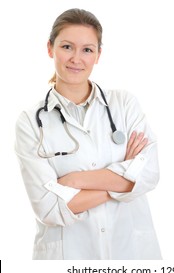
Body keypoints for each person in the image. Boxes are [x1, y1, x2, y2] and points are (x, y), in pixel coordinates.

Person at [14, 8, 161, 260]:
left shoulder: (124, 105)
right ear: (50, 49)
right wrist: (126, 183)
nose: (76, 58)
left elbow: (148, 174)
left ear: (98, 55)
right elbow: (48, 207)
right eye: (67, 47)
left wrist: (74, 181)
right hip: (69, 257)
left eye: (87, 50)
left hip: (130, 253)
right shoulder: (30, 122)